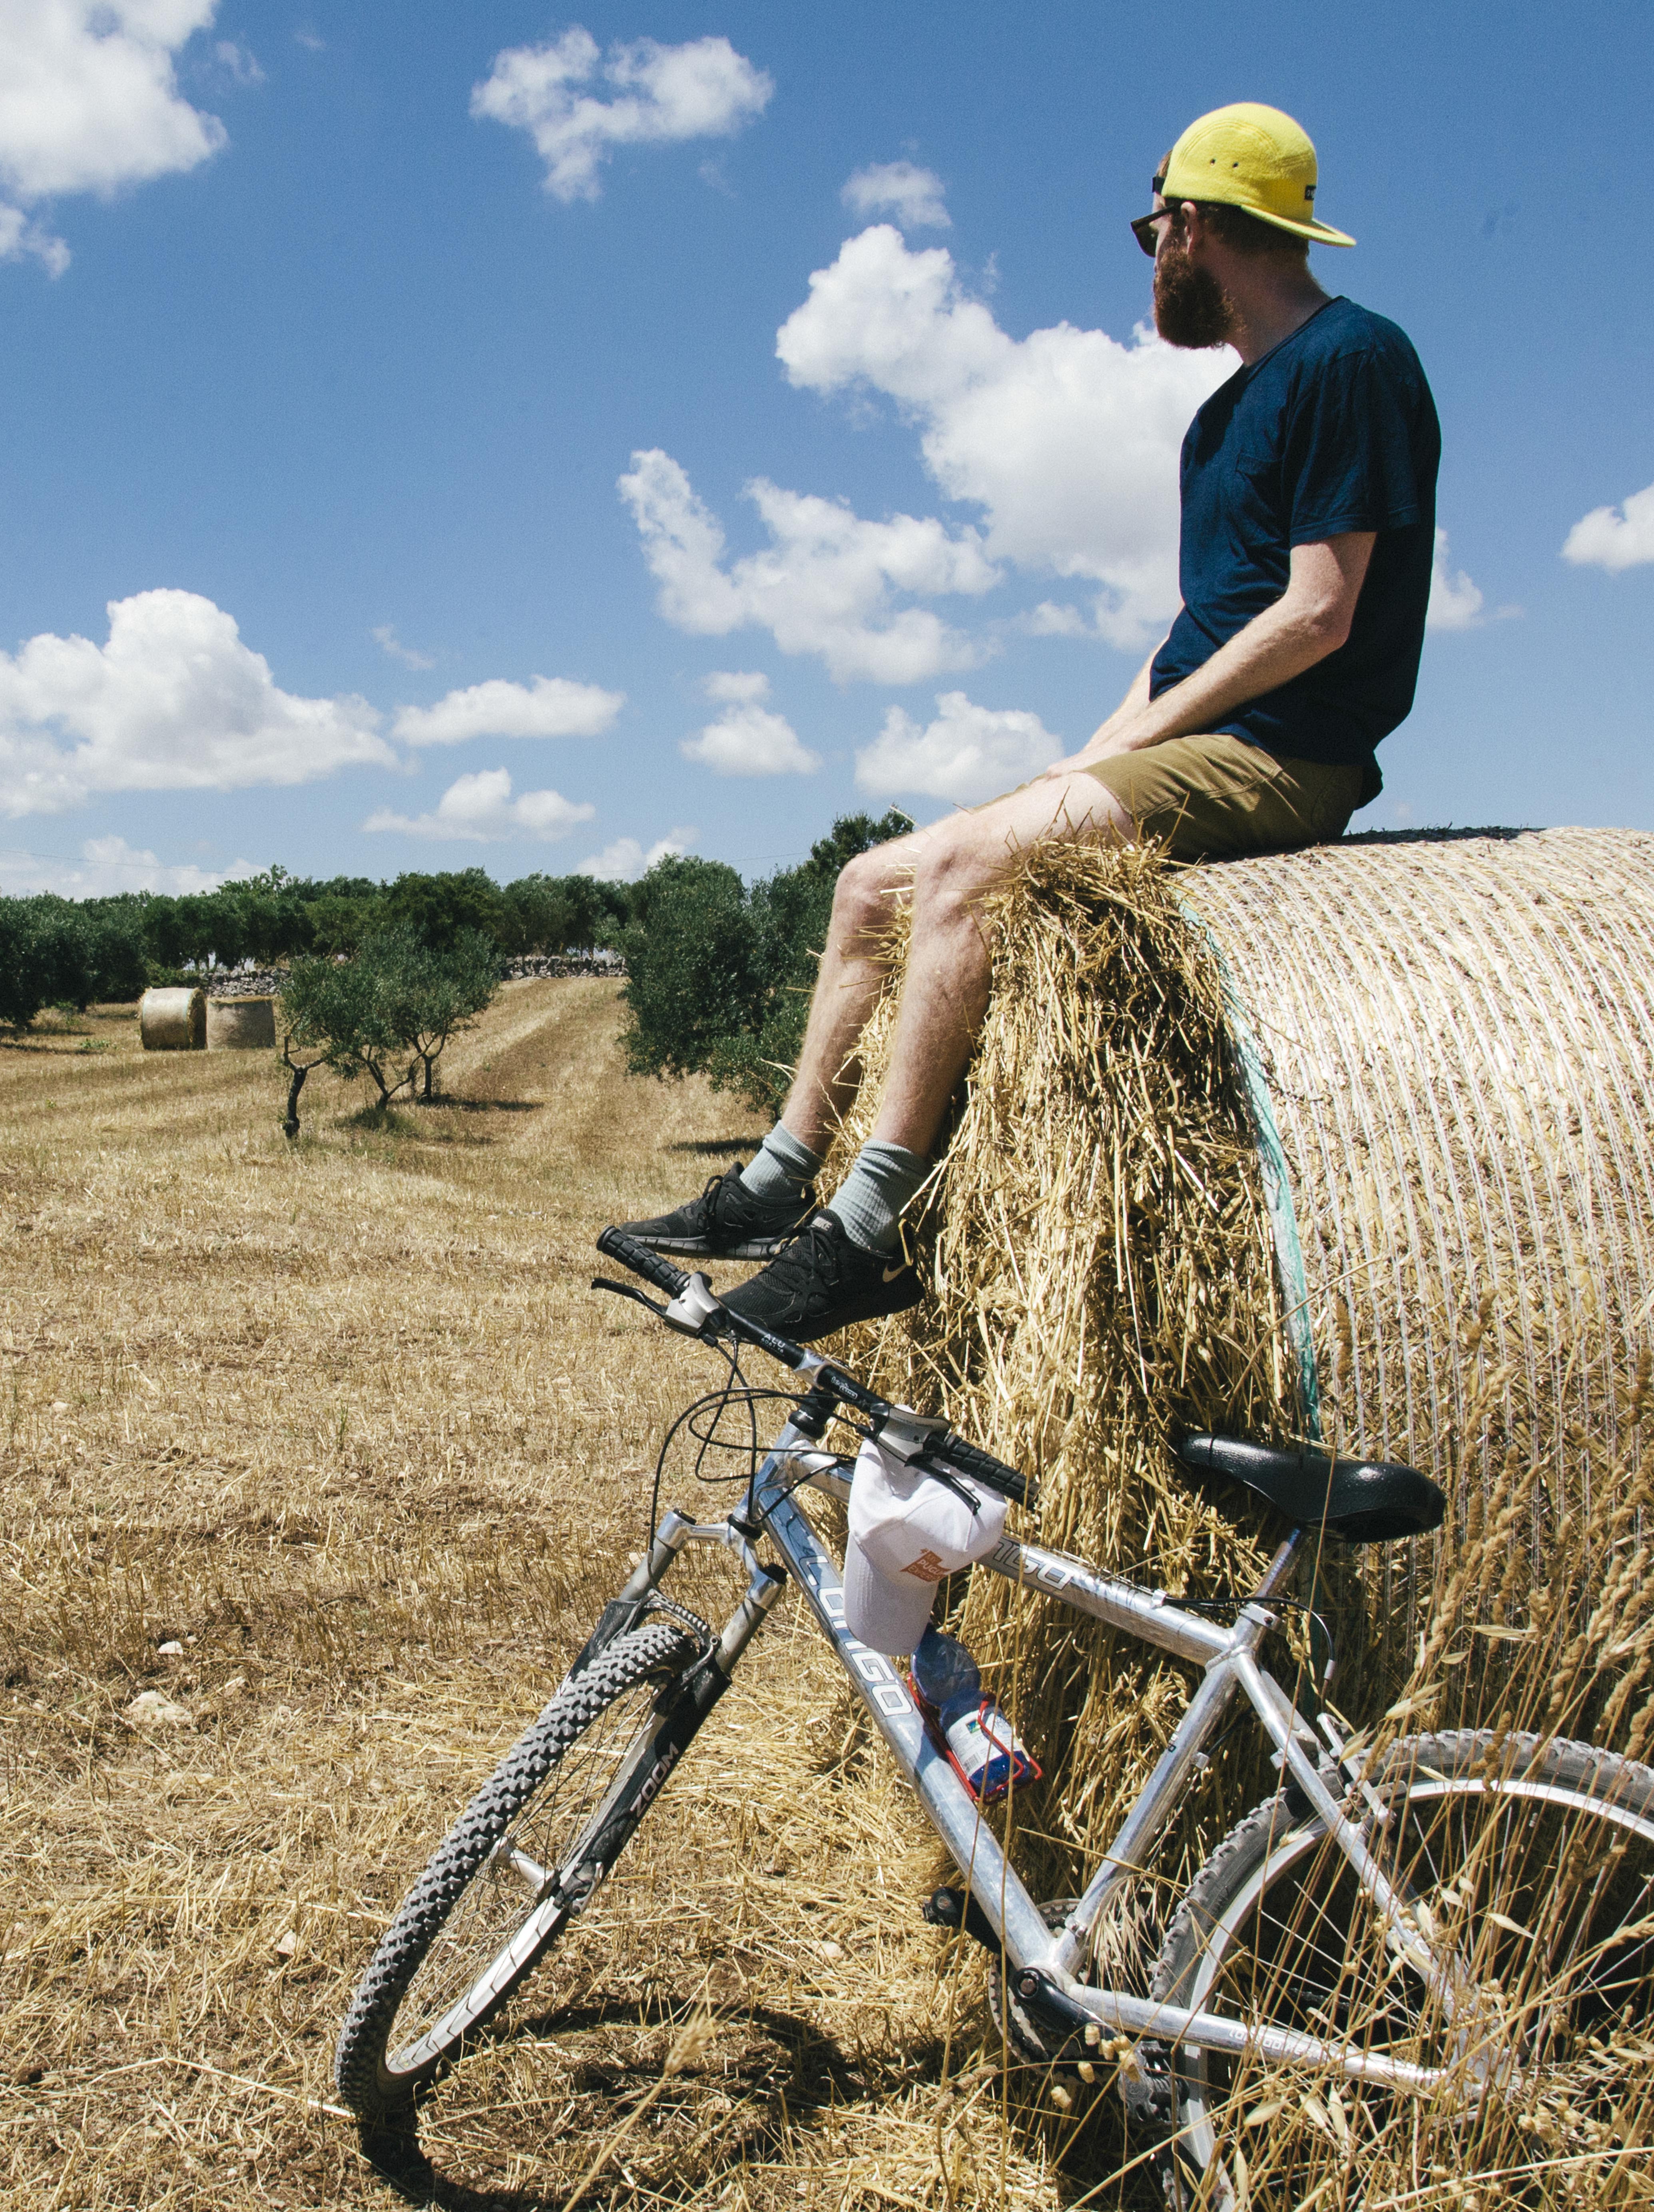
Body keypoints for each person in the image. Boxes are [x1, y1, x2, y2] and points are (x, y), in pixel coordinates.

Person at [611, 101, 1441, 1347]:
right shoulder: (1222, 416)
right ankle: (779, 1181)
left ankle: (871, 1223)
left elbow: (1317, 617)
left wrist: (1143, 741)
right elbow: (1193, 630)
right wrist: (1086, 758)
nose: (1150, 252)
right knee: (872, 882)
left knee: (962, 871)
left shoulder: (1353, 362)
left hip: (1289, 756)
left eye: (1151, 225)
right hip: (1203, 735)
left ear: (1195, 223)